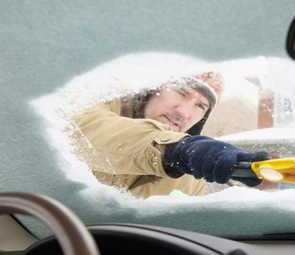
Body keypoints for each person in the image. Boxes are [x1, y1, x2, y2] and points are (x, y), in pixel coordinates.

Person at [70, 72, 269, 198]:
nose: (183, 113)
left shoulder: (191, 173)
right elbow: (86, 135)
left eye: (200, 106)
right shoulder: (96, 104)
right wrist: (175, 149)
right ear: (153, 89)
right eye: (181, 92)